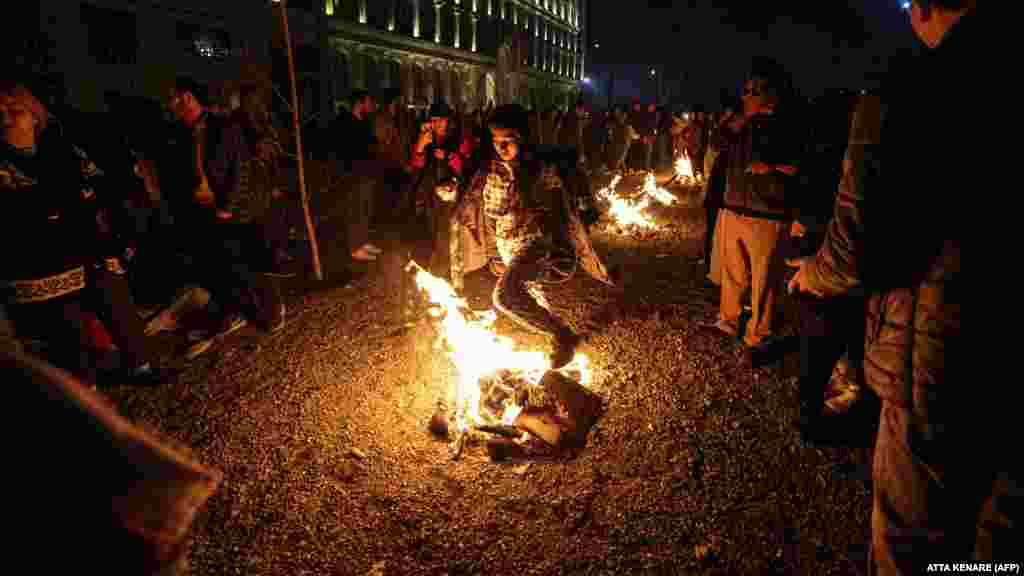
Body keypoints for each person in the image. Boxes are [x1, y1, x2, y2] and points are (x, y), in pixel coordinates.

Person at [789, 1, 1016, 572]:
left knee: (917, 539)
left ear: (924, 8)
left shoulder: (912, 87)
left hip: (944, 355)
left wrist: (809, 276)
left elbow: (857, 247)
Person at [0, 80, 158, 383]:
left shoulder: (61, 147)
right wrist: (64, 200)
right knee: (67, 331)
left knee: (117, 303)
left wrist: (74, 203)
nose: (5, 116)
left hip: (89, 244)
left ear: (34, 115)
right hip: (41, 263)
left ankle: (141, 364)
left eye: (13, 108)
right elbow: (19, 211)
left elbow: (97, 185)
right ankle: (86, 386)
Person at [458, 104, 613, 369]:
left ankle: (562, 336)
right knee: (536, 300)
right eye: (496, 141)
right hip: (509, 245)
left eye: (509, 141)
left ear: (524, 138)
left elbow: (562, 204)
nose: (502, 147)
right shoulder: (495, 170)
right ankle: (560, 340)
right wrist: (495, 251)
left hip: (537, 244)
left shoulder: (542, 168)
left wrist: (565, 239)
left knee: (505, 297)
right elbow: (493, 213)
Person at [703, 62, 800, 360]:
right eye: (744, 91)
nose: (745, 96)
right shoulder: (740, 125)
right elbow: (716, 145)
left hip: (768, 214)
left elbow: (800, 166)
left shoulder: (787, 124)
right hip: (735, 207)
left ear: (769, 94)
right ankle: (728, 319)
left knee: (764, 278)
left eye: (752, 91)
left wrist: (769, 167)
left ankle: (759, 331)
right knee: (734, 271)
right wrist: (731, 124)